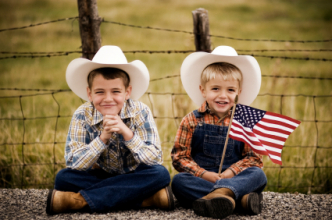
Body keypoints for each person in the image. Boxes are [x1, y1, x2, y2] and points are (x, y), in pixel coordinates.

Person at [46, 45, 174, 215]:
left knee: (160, 174)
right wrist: (102, 139)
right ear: (89, 94)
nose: (108, 99)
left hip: (134, 174)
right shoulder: (82, 115)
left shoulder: (140, 111)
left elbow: (154, 158)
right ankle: (144, 200)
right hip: (103, 177)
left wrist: (127, 134)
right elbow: (74, 163)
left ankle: (80, 201)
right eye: (99, 92)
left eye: (115, 91)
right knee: (63, 178)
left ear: (127, 92)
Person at [171, 46, 267, 219]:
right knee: (179, 182)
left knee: (258, 175)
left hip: (234, 176)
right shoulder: (191, 120)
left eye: (230, 90)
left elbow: (254, 159)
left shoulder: (244, 121)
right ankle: (240, 200)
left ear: (239, 92)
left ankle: (222, 195)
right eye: (215, 89)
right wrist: (205, 175)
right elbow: (180, 158)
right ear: (203, 90)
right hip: (203, 178)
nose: (223, 96)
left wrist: (230, 174)